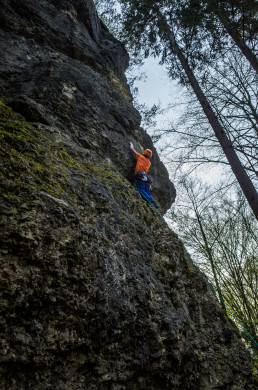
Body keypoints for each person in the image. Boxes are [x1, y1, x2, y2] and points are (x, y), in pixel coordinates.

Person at [130, 142, 158, 208]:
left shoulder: (140, 156)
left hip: (140, 175)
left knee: (140, 189)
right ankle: (151, 201)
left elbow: (132, 149)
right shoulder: (149, 162)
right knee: (147, 191)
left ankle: (149, 199)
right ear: (150, 156)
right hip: (146, 177)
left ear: (144, 153)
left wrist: (131, 143)